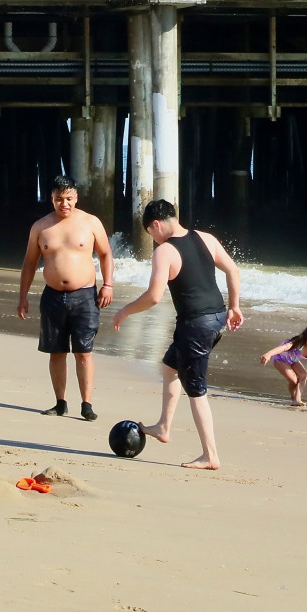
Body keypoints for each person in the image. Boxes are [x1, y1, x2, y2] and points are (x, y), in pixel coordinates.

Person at [112, 200, 243, 470]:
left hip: (195, 325)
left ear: (156, 225)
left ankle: (210, 456)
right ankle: (163, 426)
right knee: (171, 366)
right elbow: (233, 270)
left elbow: (154, 297)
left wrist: (125, 310)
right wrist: (234, 307)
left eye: (151, 233)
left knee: (196, 391)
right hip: (216, 317)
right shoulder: (206, 238)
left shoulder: (165, 252)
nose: (154, 239)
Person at [16, 178, 115, 420]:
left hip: (85, 296)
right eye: (59, 199)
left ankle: (87, 404)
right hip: (52, 296)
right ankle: (60, 402)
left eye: (69, 199)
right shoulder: (41, 227)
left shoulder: (90, 223)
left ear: (76, 198)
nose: (64, 204)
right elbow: (29, 263)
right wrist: (23, 297)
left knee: (84, 352)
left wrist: (108, 285)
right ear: (52, 198)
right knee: (56, 351)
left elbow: (105, 254)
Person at [258, 320, 307, 408]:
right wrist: (269, 354)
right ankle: (294, 398)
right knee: (294, 380)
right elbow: (284, 348)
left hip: (292, 360)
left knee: (304, 374)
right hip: (280, 358)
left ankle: (297, 399)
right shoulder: (300, 343)